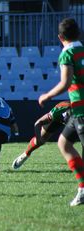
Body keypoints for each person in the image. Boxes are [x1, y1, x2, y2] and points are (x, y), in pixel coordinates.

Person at [38, 18, 84, 207]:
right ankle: (82, 189)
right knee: (63, 143)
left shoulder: (67, 53)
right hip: (77, 111)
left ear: (60, 37)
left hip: (82, 109)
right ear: (79, 33)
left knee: (66, 145)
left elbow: (65, 83)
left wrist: (46, 96)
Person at [12, 101, 72, 169]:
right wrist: (39, 139)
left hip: (77, 121)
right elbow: (38, 123)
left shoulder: (79, 114)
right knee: (41, 139)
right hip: (57, 119)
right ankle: (25, 154)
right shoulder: (60, 110)